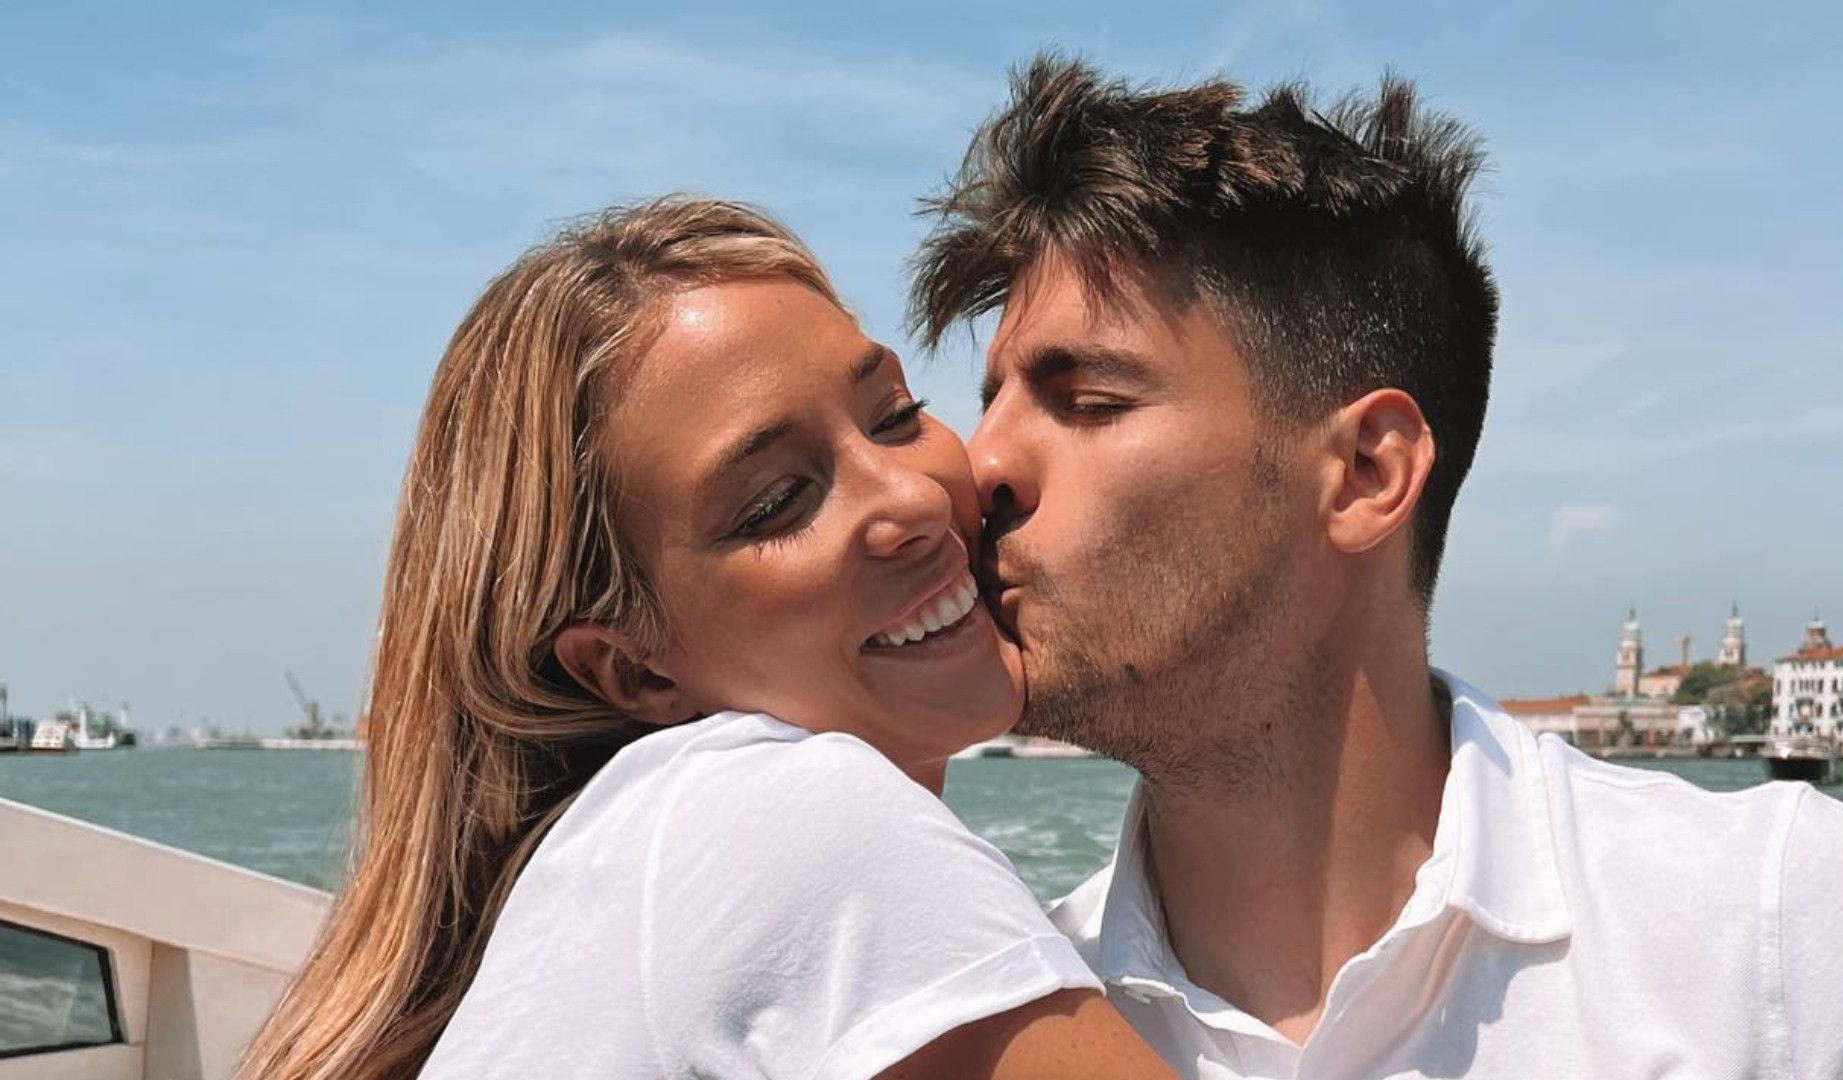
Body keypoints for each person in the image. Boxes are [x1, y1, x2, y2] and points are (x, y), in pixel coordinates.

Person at [911, 55, 1843, 1079]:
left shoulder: (1776, 931)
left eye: (1087, 402)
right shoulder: (997, 1028)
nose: (977, 465)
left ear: (1365, 473)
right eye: (990, 403)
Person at [240, 197, 1175, 1080]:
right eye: (776, 503)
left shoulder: (634, 863)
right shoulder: (797, 822)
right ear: (632, 671)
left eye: (894, 415)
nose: (917, 499)